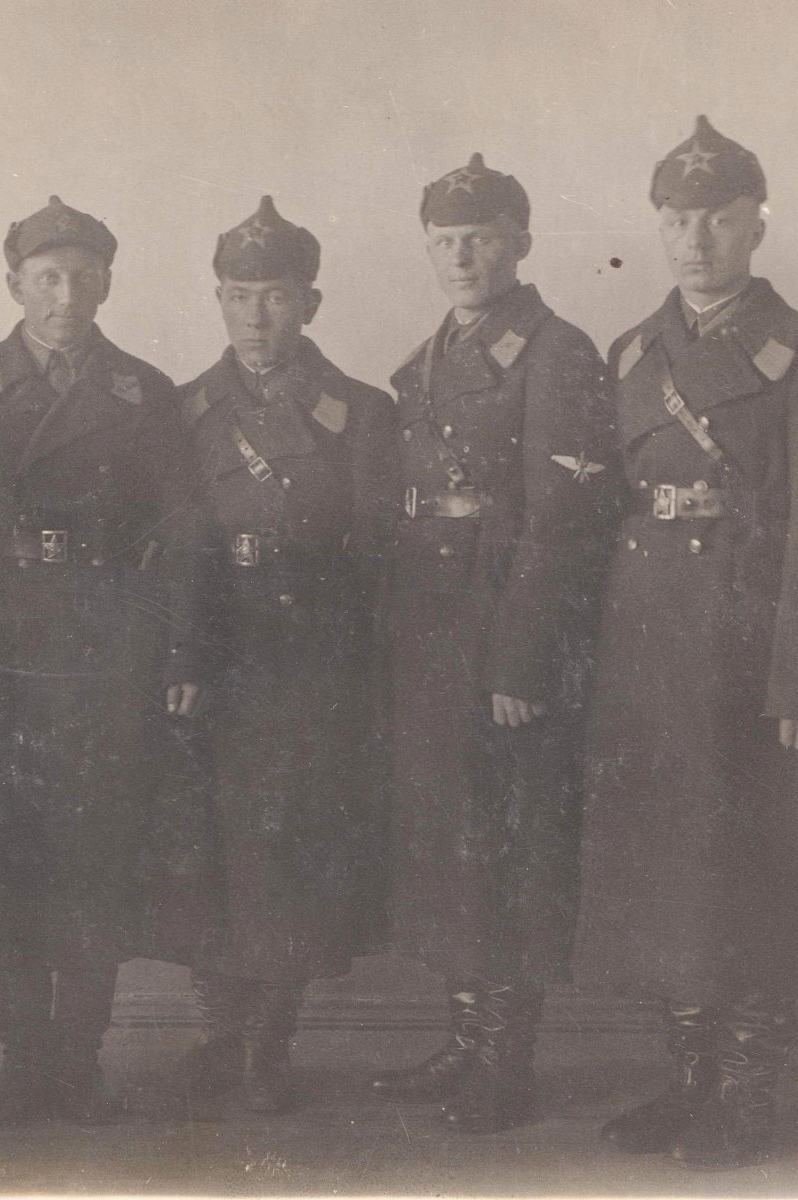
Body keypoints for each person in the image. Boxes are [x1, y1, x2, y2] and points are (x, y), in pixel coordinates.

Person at [0, 196, 205, 1124]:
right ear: (14, 285)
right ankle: (22, 1056)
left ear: (109, 284)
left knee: (95, 855)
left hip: (105, 651)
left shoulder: (145, 393)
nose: (66, 294)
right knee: (12, 852)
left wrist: (178, 647)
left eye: (84, 276)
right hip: (0, 653)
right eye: (47, 276)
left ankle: (80, 1056)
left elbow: (184, 535)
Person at [368, 155, 618, 1131]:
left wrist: (520, 659)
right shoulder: (426, 355)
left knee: (509, 843)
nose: (461, 255)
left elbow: (564, 519)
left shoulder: (557, 353)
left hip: (500, 631)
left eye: (479, 237)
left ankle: (506, 1062)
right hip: (430, 626)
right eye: (443, 241)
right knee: (450, 843)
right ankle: (467, 1036)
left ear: (519, 241)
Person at [574, 116, 798, 1171]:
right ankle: (688, 1079)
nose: (696, 236)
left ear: (758, 220)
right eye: (677, 216)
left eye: (717, 215)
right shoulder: (631, 353)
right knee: (667, 862)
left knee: (747, 863)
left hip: (747, 645)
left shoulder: (792, 353)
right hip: (647, 636)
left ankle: (750, 1094)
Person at [155, 196, 394, 1115]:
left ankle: (269, 1044)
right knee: (209, 849)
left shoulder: (361, 414)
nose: (258, 317)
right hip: (216, 656)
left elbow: (375, 551)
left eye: (277, 297)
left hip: (312, 664)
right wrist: (183, 655)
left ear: (312, 304)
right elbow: (177, 542)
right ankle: (221, 1033)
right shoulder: (186, 410)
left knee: (288, 854)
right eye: (239, 296)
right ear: (218, 301)